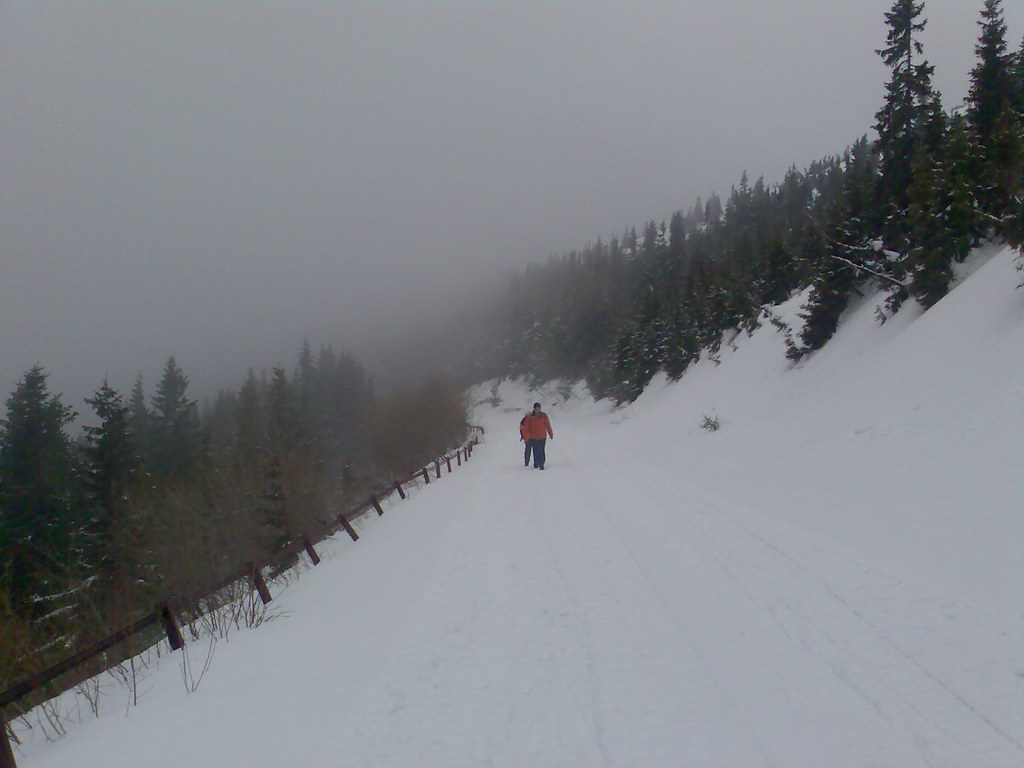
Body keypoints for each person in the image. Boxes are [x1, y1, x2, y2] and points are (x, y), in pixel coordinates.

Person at [521, 402, 554, 470]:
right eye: (536, 408)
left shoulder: (544, 416)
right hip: (533, 437)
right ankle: (536, 463)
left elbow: (547, 425)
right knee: (535, 451)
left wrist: (550, 433)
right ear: (534, 409)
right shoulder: (530, 417)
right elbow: (526, 428)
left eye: (539, 408)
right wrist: (526, 437)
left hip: (542, 436)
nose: (538, 410)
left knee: (541, 450)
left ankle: (541, 464)